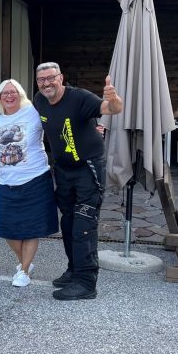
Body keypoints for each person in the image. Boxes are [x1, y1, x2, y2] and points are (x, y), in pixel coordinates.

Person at [33, 62, 122, 301]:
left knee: (84, 223)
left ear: (60, 77)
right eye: (41, 79)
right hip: (63, 170)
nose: (46, 83)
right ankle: (74, 270)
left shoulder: (79, 98)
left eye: (51, 78)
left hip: (87, 169)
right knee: (69, 223)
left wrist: (113, 99)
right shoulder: (39, 101)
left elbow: (113, 109)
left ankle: (86, 282)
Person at [0, 78, 58, 287]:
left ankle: (24, 270)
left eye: (13, 92)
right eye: (5, 93)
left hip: (35, 178)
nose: (9, 96)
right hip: (6, 180)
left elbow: (59, 121)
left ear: (21, 94)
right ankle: (24, 263)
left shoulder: (34, 112)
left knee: (31, 228)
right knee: (7, 229)